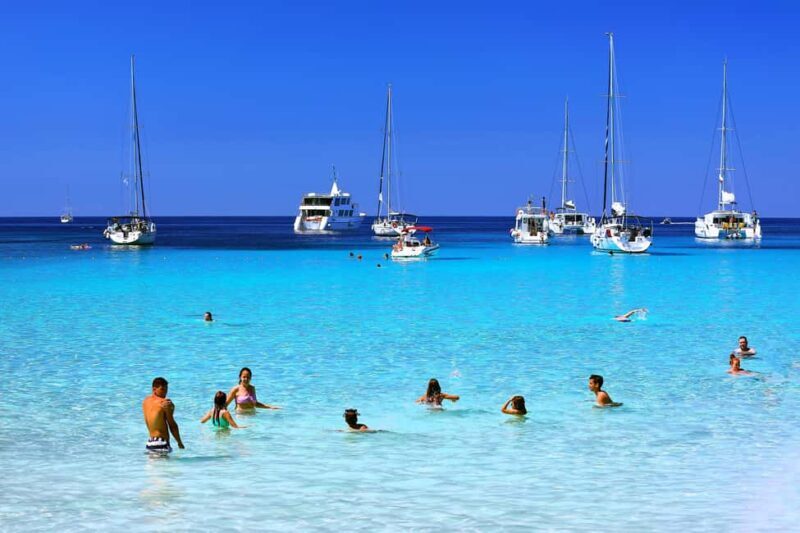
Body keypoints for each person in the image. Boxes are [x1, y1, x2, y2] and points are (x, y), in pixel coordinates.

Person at [142, 377, 185, 453]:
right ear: (154, 389)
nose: (165, 392)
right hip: (161, 443)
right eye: (162, 389)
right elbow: (172, 425)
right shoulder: (165, 403)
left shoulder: (146, 401)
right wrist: (179, 442)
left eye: (166, 389)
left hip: (150, 443)